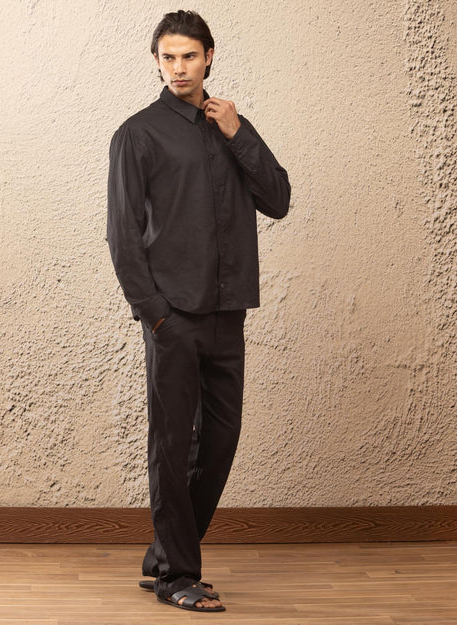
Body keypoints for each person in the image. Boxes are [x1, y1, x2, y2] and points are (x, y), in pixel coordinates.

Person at [106, 9, 290, 613]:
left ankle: (166, 552)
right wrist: (153, 313)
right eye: (168, 57)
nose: (179, 68)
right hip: (173, 316)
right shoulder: (137, 134)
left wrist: (239, 133)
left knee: (220, 441)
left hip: (228, 311)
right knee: (170, 444)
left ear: (209, 56)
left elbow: (278, 200)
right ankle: (177, 576)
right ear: (157, 62)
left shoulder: (231, 125)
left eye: (189, 56)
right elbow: (123, 235)